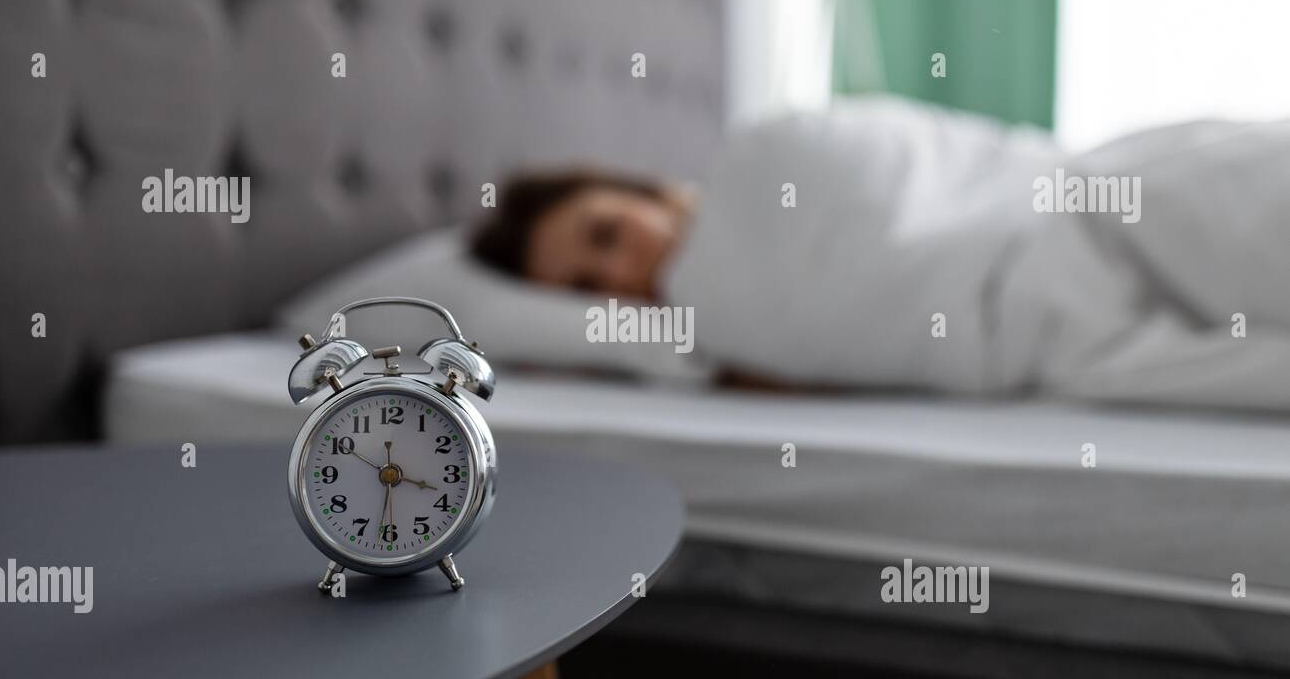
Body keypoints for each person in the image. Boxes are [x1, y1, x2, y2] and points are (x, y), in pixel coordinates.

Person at [471, 95, 1290, 410]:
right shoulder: (720, 335)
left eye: (606, 234)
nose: (615, 275)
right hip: (1058, 338)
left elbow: (921, 166)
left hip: (1078, 204)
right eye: (585, 287)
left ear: (650, 191)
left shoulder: (763, 160)